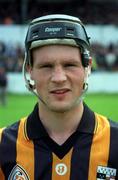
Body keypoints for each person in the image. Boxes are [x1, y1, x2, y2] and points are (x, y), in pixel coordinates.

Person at [0, 14, 118, 180]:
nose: (59, 78)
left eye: (69, 65)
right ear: (29, 70)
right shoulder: (3, 145)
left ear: (87, 67)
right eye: (46, 66)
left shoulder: (115, 142)